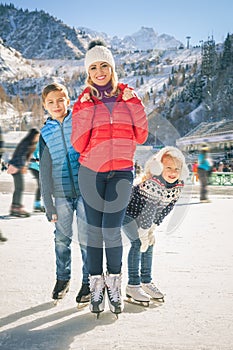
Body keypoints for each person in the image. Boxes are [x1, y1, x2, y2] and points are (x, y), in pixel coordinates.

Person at [71, 39, 148, 316]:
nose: (100, 71)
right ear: (88, 72)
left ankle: (114, 286)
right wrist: (85, 110)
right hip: (91, 173)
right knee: (94, 233)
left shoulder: (129, 97)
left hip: (122, 173)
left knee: (111, 232)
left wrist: (135, 105)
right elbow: (79, 145)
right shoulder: (83, 102)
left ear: (112, 68)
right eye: (93, 67)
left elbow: (142, 135)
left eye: (104, 65)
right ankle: (95, 287)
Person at [39, 83, 90, 304]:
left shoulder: (79, 122)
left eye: (60, 100)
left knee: (87, 239)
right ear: (44, 106)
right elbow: (44, 170)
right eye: (51, 102)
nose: (56, 105)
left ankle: (89, 282)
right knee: (61, 239)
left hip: (85, 192)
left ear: (68, 101)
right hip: (60, 195)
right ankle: (62, 278)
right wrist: (48, 204)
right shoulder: (44, 133)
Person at [123, 146, 189, 304]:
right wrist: (145, 230)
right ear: (160, 167)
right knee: (138, 243)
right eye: (168, 168)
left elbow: (167, 207)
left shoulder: (177, 186)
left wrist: (153, 227)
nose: (173, 172)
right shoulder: (154, 183)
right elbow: (149, 209)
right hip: (128, 214)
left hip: (146, 217)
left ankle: (146, 281)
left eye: (177, 168)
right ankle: (133, 285)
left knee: (150, 242)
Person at [7, 128, 40, 217]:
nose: (38, 138)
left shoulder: (29, 144)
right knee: (20, 188)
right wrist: (24, 166)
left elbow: (25, 157)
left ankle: (15, 207)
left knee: (19, 188)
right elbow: (21, 156)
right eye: (37, 136)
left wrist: (34, 160)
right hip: (16, 167)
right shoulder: (26, 143)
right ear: (33, 136)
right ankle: (16, 208)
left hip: (16, 166)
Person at [28, 141, 45, 212]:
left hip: (38, 167)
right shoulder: (39, 143)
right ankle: (37, 205)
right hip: (34, 167)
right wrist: (37, 159)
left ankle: (38, 204)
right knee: (41, 185)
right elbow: (34, 153)